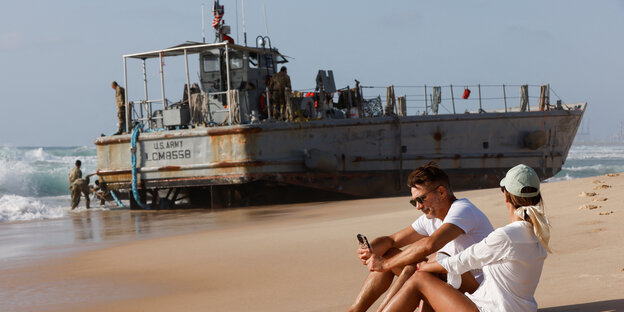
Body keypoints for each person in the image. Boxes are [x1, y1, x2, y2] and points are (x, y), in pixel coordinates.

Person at [381, 164, 551, 312]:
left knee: (419, 279)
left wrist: (422, 267)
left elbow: (461, 262)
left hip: (490, 309)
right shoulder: (537, 236)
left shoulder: (505, 236)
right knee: (427, 275)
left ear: (506, 195)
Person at [347, 162, 494, 312]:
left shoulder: (463, 210)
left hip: (478, 291)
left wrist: (385, 265)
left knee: (418, 266)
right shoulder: (431, 218)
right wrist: (372, 250)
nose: (418, 206)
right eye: (414, 201)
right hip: (453, 281)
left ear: (442, 192)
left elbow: (429, 245)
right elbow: (391, 240)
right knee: (390, 254)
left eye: (421, 199)